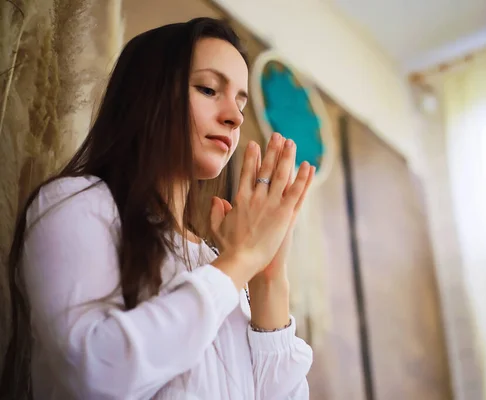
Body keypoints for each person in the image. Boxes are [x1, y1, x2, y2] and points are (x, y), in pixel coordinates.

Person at [0, 17, 315, 399]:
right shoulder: (77, 205)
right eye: (208, 89)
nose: (234, 117)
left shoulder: (214, 261)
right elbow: (93, 373)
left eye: (240, 102)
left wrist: (267, 278)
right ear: (148, 94)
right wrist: (241, 262)